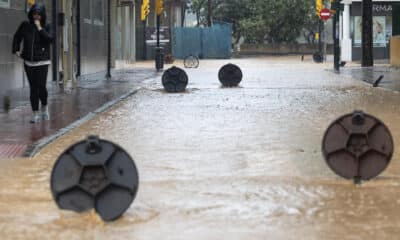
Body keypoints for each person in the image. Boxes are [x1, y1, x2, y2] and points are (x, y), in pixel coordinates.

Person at [12, 3, 53, 123]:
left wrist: (40, 28)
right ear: (31, 14)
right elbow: (17, 37)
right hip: (28, 62)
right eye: (35, 14)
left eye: (39, 15)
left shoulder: (48, 26)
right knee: (33, 89)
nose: (36, 17)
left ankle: (44, 107)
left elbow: (50, 39)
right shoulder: (25, 25)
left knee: (41, 87)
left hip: (42, 62)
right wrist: (16, 50)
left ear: (43, 15)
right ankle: (35, 114)